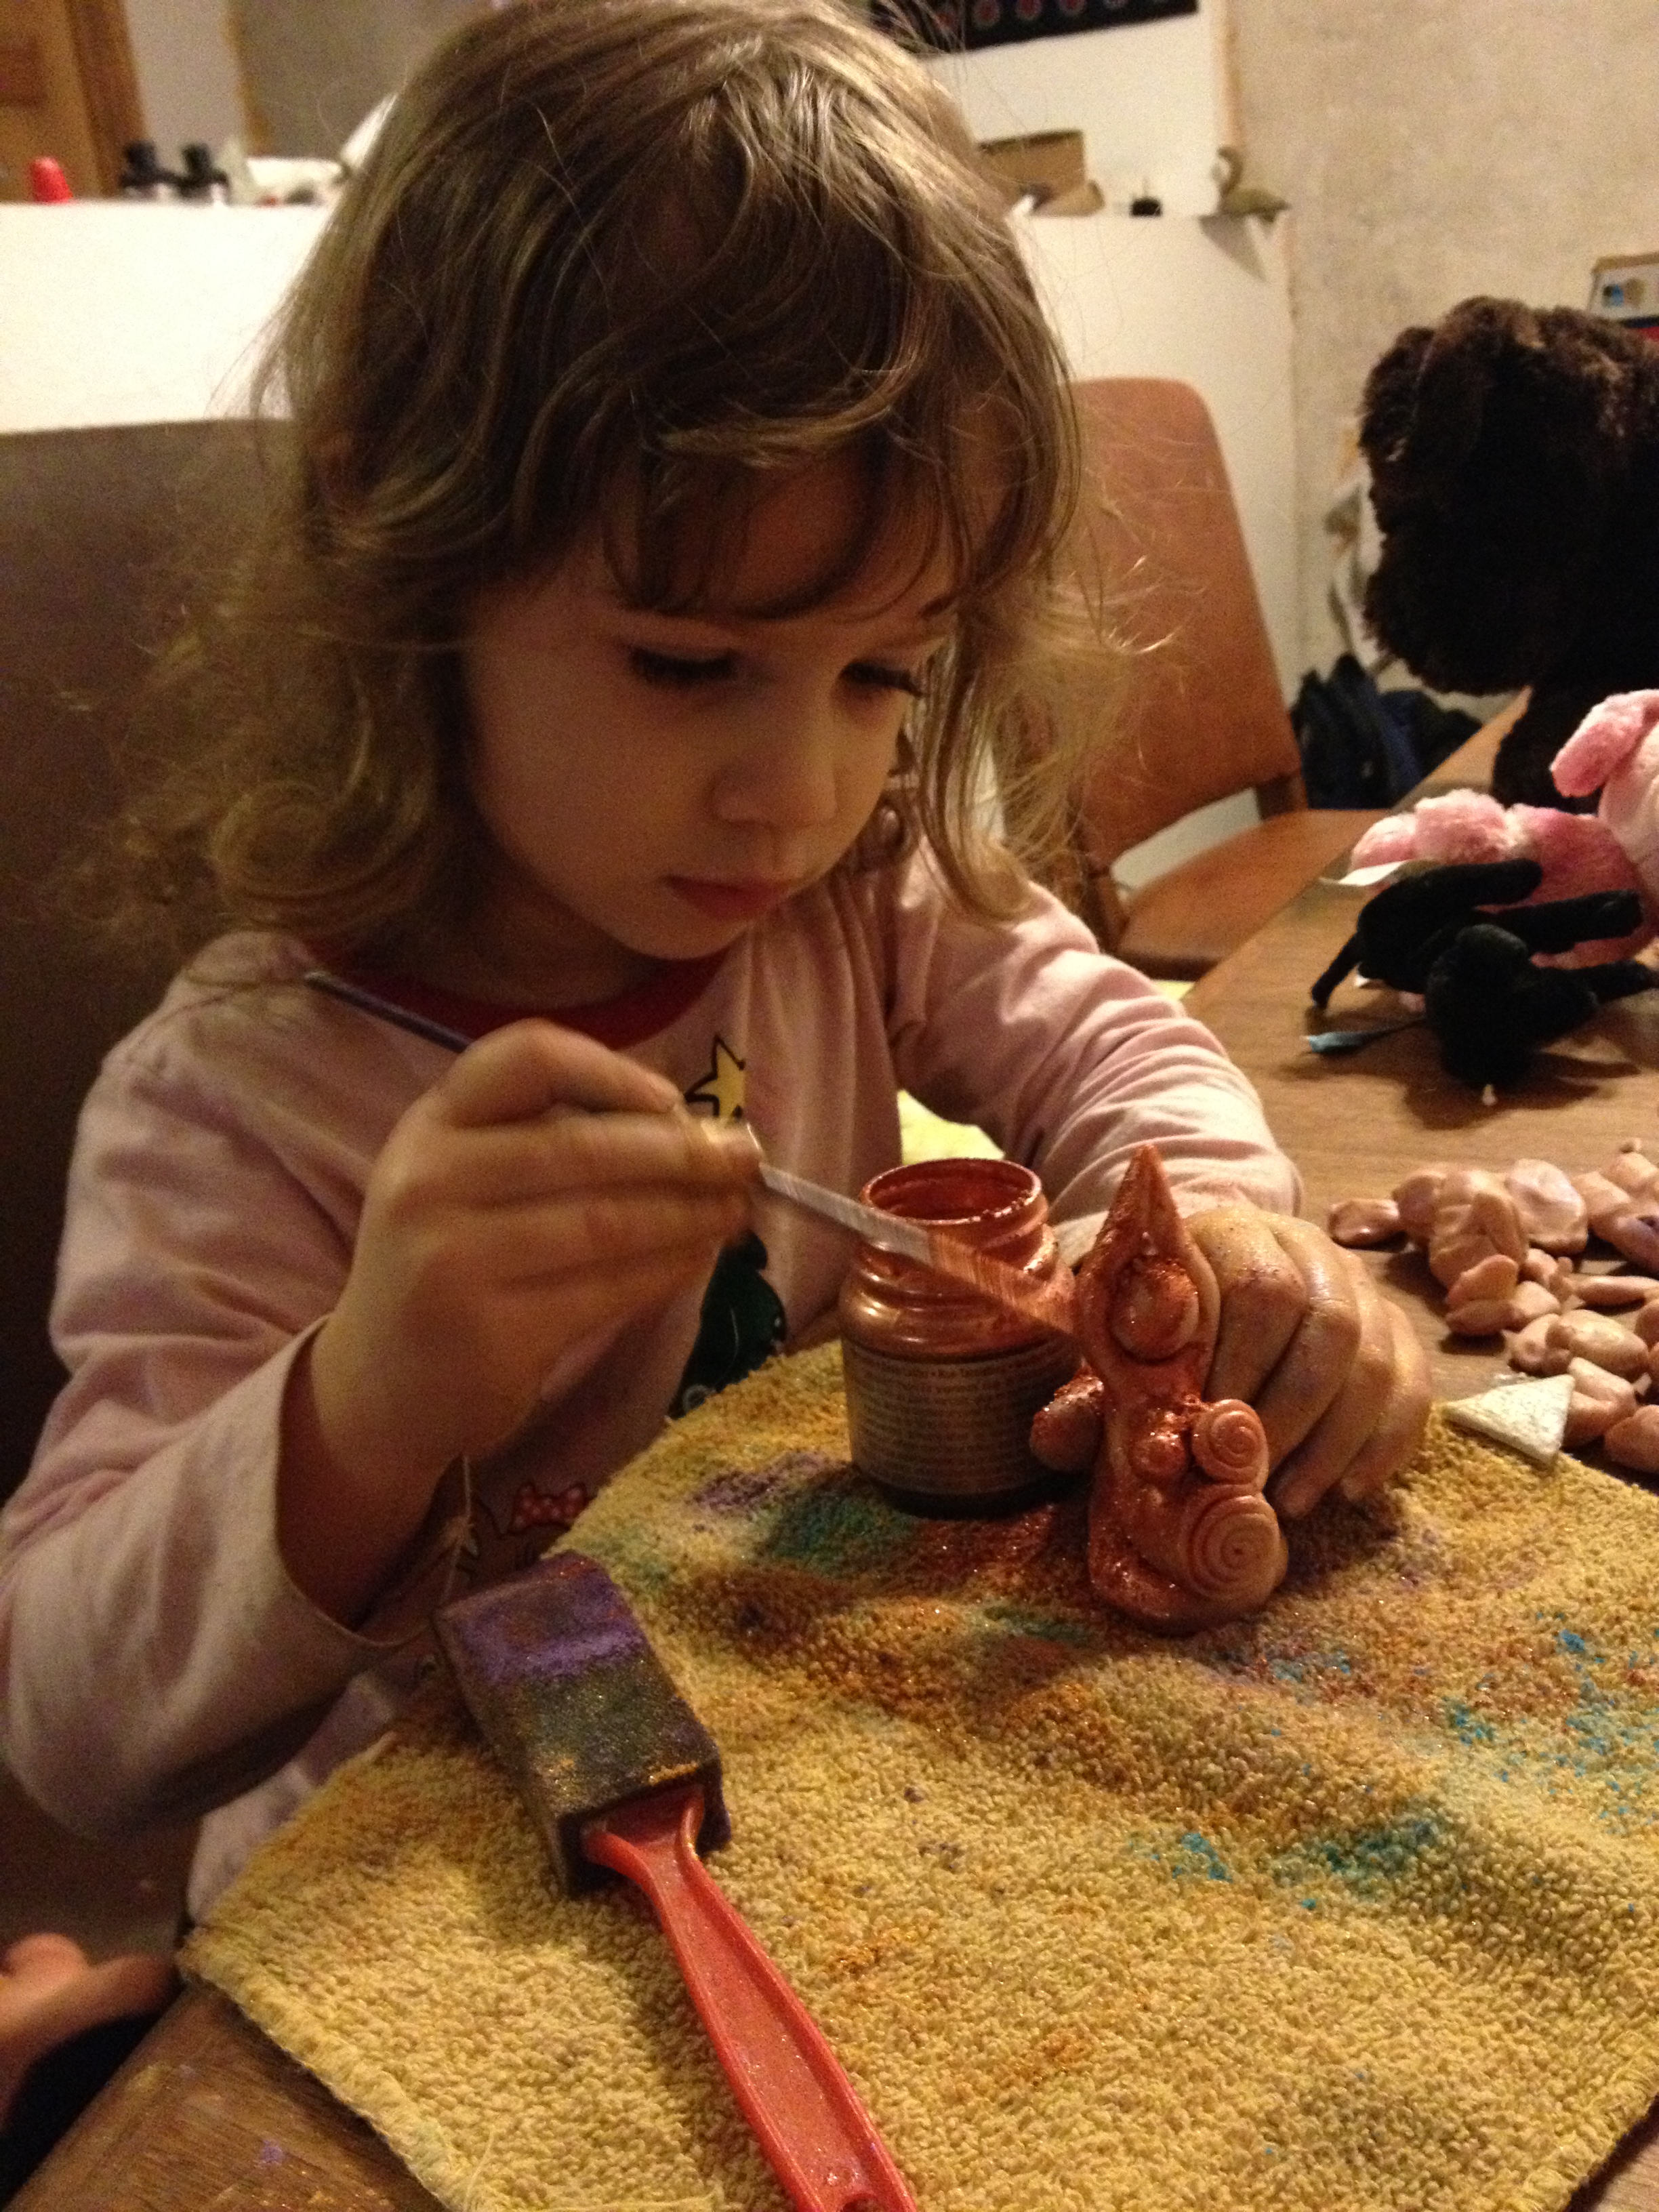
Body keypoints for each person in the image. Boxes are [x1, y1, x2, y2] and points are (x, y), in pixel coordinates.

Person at [0, 0, 1429, 2087]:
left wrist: (1220, 1226)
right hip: (428, 1949)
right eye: (688, 664)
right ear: (409, 546)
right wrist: (367, 1398)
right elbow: (75, 1727)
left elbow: (1117, 1051)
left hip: (816, 1811)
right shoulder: (244, 1100)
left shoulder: (856, 889)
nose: (798, 789)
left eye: (884, 674)